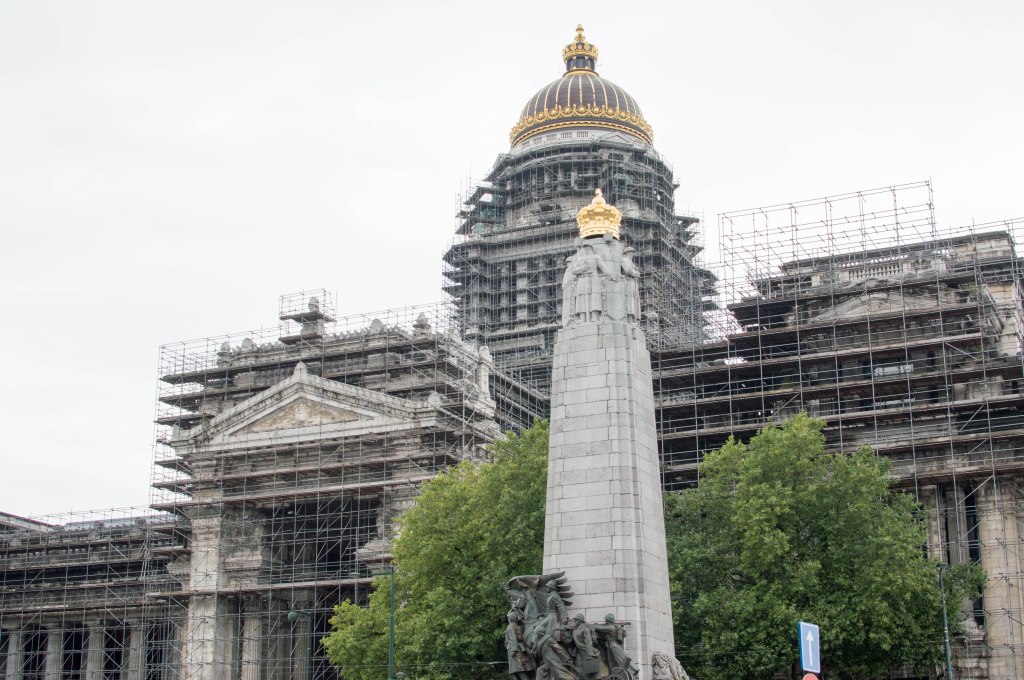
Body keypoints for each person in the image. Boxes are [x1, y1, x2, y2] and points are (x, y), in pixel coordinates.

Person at [505, 609, 537, 680]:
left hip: (515, 651)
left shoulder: (510, 627)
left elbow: (513, 639)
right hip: (521, 649)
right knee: (519, 672)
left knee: (519, 671)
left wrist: (513, 651)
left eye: (509, 617)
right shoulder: (518, 626)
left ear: (511, 618)